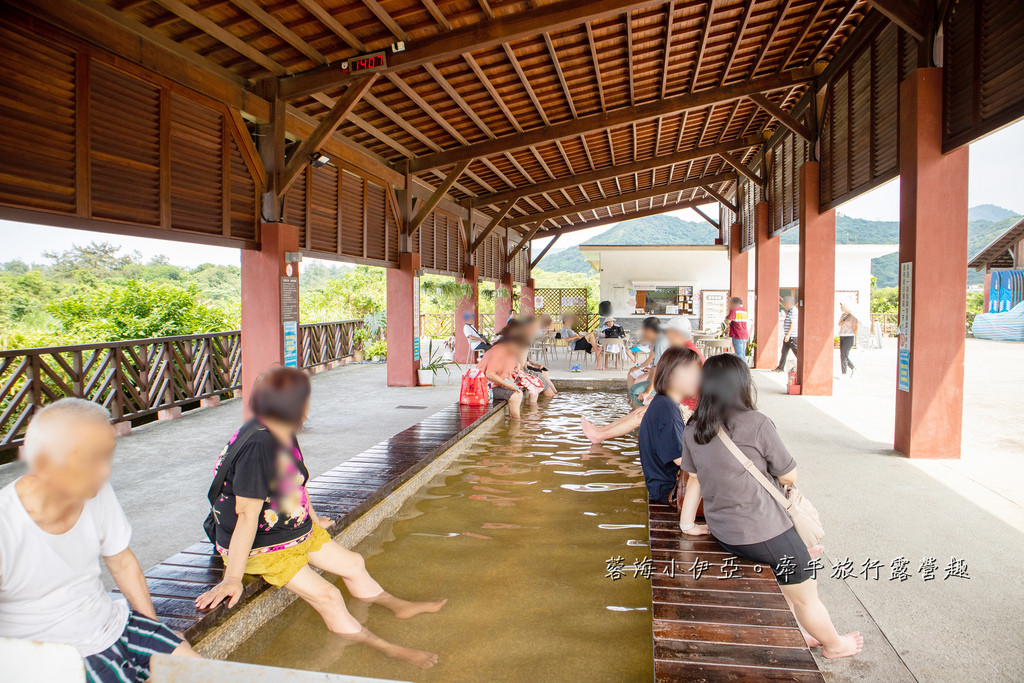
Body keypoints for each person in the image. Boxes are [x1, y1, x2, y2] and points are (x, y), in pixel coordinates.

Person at [196, 367, 445, 669]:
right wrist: (233, 578)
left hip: (288, 529)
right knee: (329, 596)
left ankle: (398, 606)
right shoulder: (258, 445)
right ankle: (386, 648)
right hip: (260, 546)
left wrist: (313, 520)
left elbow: (297, 483)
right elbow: (246, 514)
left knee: (354, 564)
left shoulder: (281, 429)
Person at [0, 399, 201, 682]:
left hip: (114, 624)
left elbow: (122, 562)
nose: (106, 471)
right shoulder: (6, 524)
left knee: (200, 672)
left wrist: (153, 628)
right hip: (58, 657)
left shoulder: (96, 491)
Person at [677, 355, 863, 659]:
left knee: (793, 562)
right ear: (742, 384)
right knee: (806, 592)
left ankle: (798, 623)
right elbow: (789, 476)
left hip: (724, 532)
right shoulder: (756, 423)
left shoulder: (693, 428)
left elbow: (694, 479)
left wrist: (687, 526)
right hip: (761, 532)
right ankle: (834, 645)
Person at [582, 319, 704, 444]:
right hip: (680, 404)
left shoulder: (688, 354)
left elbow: (685, 392)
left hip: (688, 410)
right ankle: (600, 431)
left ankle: (600, 435)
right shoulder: (683, 350)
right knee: (638, 412)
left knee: (640, 415)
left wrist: (659, 402)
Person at [636, 346, 703, 504]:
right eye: (691, 373)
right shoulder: (667, 410)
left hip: (664, 488)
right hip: (670, 492)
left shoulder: (664, 403)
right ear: (672, 375)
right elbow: (681, 460)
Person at [630, 317, 700, 408]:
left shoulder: (687, 353)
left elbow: (661, 370)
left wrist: (649, 393)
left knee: (638, 394)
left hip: (685, 405)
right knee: (636, 391)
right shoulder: (679, 349)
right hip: (675, 397)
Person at [475, 337, 526, 418]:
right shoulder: (498, 352)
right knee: (515, 397)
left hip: (492, 385)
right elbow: (490, 375)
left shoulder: (509, 353)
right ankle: (516, 422)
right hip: (483, 388)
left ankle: (514, 420)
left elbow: (507, 374)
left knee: (518, 392)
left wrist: (513, 385)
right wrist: (508, 385)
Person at [626, 317, 665, 391]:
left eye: (644, 331)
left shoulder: (660, 342)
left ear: (649, 330)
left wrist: (640, 368)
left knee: (637, 383)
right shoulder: (655, 340)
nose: (643, 334)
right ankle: (630, 396)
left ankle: (633, 396)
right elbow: (653, 361)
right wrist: (644, 368)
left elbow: (653, 361)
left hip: (662, 375)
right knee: (631, 374)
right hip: (655, 370)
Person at [775, 296, 799, 372]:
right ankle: (780, 367)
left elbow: (793, 323)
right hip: (787, 336)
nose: (784, 306)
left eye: (784, 304)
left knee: (797, 352)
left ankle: (803, 365)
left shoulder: (794, 311)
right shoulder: (790, 311)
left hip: (792, 336)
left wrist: (788, 334)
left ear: (788, 303)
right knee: (784, 352)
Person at [838, 302, 858, 378]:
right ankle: (853, 368)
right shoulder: (842, 315)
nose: (841, 308)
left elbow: (855, 328)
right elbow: (839, 325)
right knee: (843, 355)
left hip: (849, 336)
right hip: (842, 335)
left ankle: (844, 373)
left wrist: (856, 340)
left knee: (844, 355)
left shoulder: (853, 316)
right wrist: (841, 322)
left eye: (842, 306)